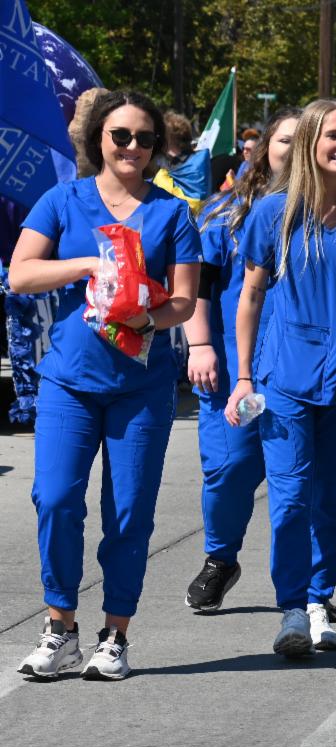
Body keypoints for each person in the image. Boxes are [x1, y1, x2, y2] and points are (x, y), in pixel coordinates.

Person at [11, 90, 201, 680]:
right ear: (99, 138)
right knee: (56, 499)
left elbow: (185, 300)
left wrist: (149, 318)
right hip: (69, 381)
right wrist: (89, 265)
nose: (132, 147)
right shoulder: (62, 200)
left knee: (129, 513)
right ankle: (60, 628)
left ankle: (115, 634)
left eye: (145, 138)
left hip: (141, 387)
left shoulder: (172, 214)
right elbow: (20, 275)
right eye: (121, 135)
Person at [225, 99, 336, 657]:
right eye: (331, 136)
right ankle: (293, 606)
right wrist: (243, 377)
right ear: (309, 144)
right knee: (291, 496)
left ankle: (321, 597)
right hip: (284, 376)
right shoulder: (273, 212)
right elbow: (251, 296)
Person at [183, 107, 302, 613]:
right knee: (231, 466)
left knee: (301, 480)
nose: (293, 151)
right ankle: (220, 558)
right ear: (264, 148)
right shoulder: (226, 212)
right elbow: (198, 286)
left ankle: (309, 590)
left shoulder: (330, 213)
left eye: (304, 140)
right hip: (240, 375)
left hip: (301, 374)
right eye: (285, 140)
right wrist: (200, 345)